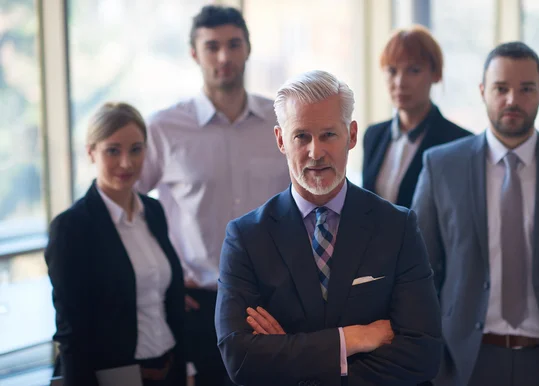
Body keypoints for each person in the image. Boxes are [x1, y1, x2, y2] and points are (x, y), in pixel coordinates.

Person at [215, 70, 442, 386]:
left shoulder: (397, 226)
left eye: (328, 135)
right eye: (301, 136)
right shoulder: (246, 238)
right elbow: (240, 360)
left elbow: (423, 353)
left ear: (351, 135)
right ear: (281, 140)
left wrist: (293, 362)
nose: (315, 152)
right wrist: (352, 339)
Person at [412, 42, 539, 386]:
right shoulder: (441, 167)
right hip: (465, 363)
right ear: (483, 91)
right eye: (501, 88)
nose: (512, 100)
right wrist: (433, 353)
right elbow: (415, 271)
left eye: (526, 89)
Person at [137, 5, 289, 385]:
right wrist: (166, 279)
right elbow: (130, 207)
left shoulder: (282, 120)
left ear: (248, 49)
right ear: (194, 54)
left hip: (274, 300)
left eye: (234, 44)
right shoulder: (164, 128)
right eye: (212, 46)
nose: (224, 57)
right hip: (197, 304)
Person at [45, 103, 186, 386]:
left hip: (170, 369)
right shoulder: (72, 228)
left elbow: (166, 300)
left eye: (136, 149)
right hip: (114, 377)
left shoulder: (154, 211)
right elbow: (72, 335)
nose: (127, 163)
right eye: (113, 150)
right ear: (90, 152)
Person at [362, 25, 471, 207]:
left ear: (435, 74)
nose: (400, 82)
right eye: (392, 71)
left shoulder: (459, 143)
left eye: (414, 70)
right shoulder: (373, 135)